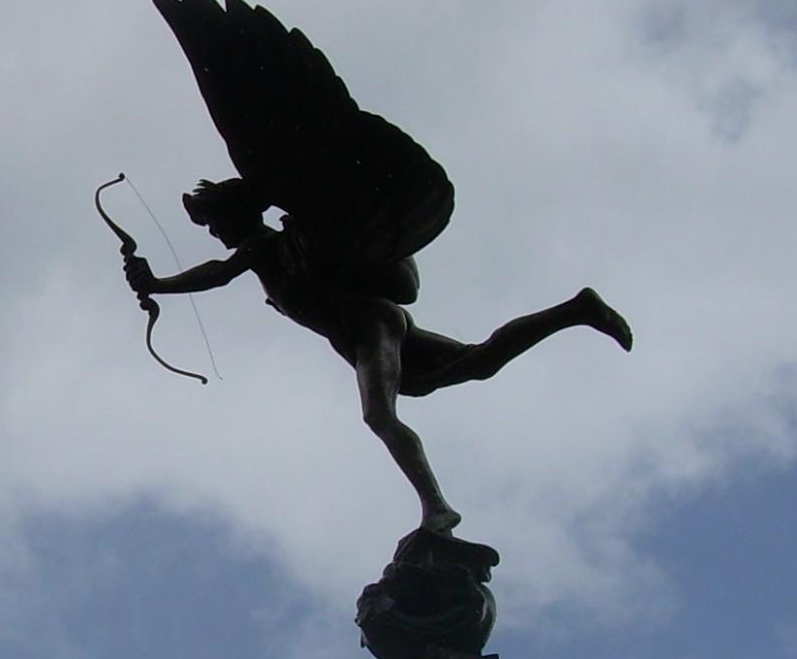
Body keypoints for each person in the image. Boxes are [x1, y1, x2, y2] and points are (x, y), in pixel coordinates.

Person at [125, 178, 632, 534]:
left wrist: (157, 284)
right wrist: (156, 284)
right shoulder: (278, 248)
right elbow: (221, 267)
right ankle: (576, 309)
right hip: (369, 324)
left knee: (379, 415)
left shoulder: (263, 247)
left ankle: (437, 506)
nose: (216, 234)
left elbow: (216, 272)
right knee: (476, 363)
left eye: (215, 224)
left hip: (366, 322)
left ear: (235, 217)